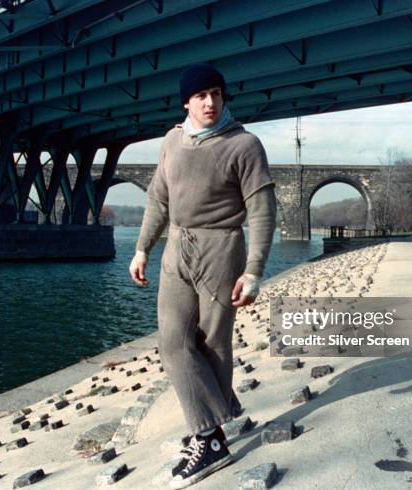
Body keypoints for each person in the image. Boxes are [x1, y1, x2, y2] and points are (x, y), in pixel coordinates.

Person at [129, 63, 277, 488]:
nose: (210, 102)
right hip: (176, 248)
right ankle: (214, 426)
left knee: (212, 343)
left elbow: (262, 211)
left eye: (216, 93)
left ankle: (208, 436)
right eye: (201, 95)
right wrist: (142, 248)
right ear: (186, 102)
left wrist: (254, 271)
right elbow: (158, 199)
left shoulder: (244, 145)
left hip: (221, 248)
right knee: (173, 341)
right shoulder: (172, 142)